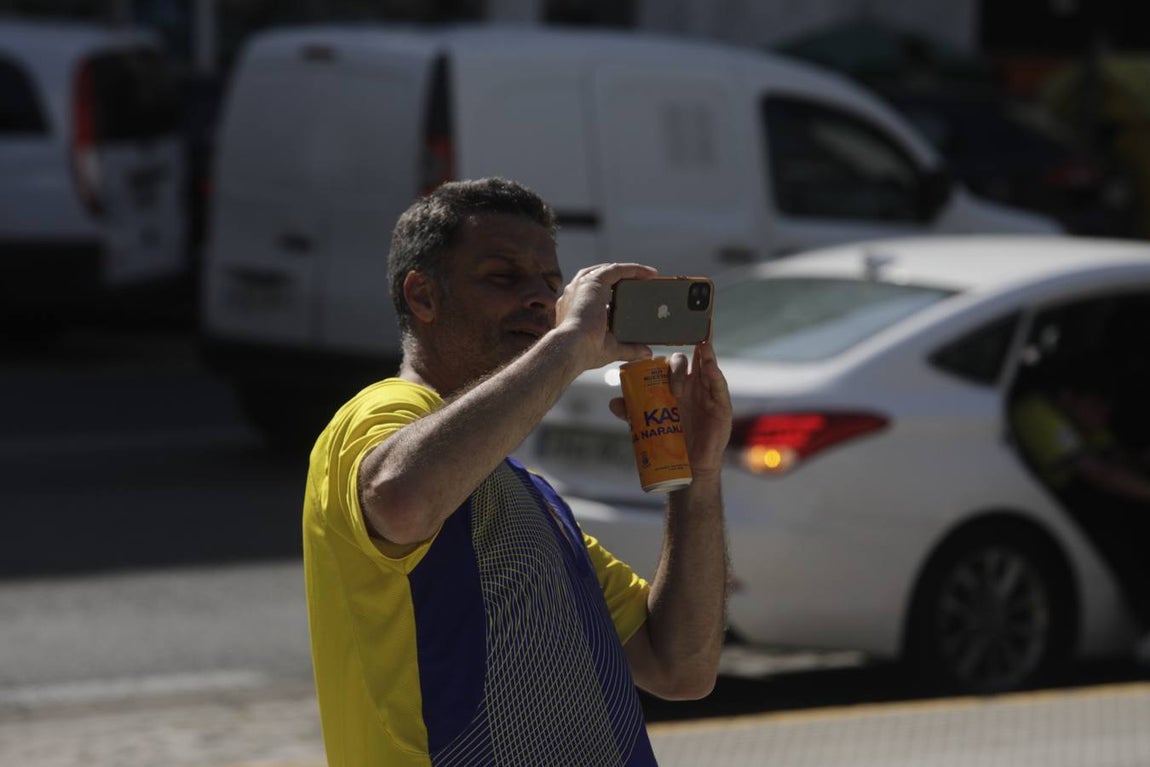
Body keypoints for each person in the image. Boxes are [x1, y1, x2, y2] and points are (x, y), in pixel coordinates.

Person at [302, 177, 732, 766]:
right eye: (504, 278)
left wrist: (698, 477)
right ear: (423, 297)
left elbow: (681, 668)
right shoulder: (383, 412)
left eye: (550, 284)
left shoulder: (521, 493)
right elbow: (400, 499)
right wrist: (570, 344)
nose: (539, 299)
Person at [1010, 361, 1150, 657]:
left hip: (1083, 493)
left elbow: (1114, 456)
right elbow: (1098, 474)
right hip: (1057, 504)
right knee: (1123, 526)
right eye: (1098, 405)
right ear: (1068, 398)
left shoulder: (1079, 416)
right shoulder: (1035, 412)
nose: (1105, 414)